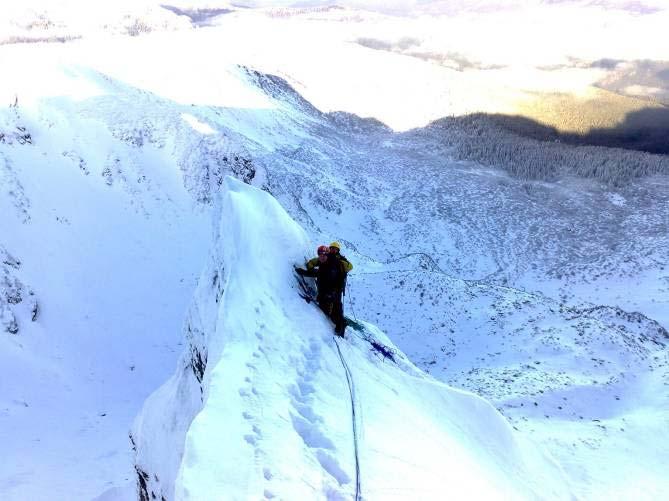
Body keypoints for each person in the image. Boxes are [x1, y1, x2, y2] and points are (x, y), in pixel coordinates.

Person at [296, 242, 353, 337]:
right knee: (328, 307)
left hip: (335, 290)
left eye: (335, 249)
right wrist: (308, 269)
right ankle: (339, 322)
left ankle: (341, 326)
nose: (321, 257)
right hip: (328, 289)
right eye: (332, 248)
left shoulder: (335, 263)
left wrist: (304, 272)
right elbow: (318, 268)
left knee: (336, 308)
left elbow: (322, 274)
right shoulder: (325, 260)